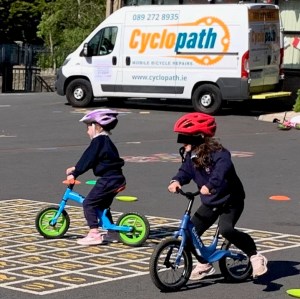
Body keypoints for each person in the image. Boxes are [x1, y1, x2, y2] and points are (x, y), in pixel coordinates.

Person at [168, 112, 268, 280]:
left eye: (185, 138)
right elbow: (185, 171)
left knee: (226, 229)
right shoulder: (191, 155)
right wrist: (177, 180)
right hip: (211, 202)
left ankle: (255, 256)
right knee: (190, 231)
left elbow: (221, 172)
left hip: (231, 201)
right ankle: (204, 264)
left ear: (200, 137)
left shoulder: (220, 154)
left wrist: (210, 185)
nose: (183, 142)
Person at [66, 109, 126, 246]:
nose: (87, 131)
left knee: (89, 203)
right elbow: (95, 160)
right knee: (102, 205)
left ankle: (94, 233)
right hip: (115, 178)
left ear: (94, 126)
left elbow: (88, 159)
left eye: (88, 127)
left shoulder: (98, 142)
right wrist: (76, 168)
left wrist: (75, 173)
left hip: (109, 180)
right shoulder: (106, 142)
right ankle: (112, 232)